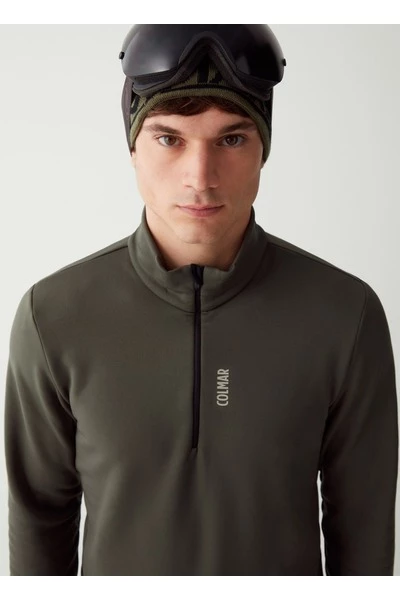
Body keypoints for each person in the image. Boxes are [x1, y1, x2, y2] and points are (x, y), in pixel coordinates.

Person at [4, 24, 398, 576]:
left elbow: (365, 541)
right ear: (133, 146)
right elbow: (38, 528)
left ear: (263, 149)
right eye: (169, 138)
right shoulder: (52, 317)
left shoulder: (346, 316)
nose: (200, 176)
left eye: (231, 139)